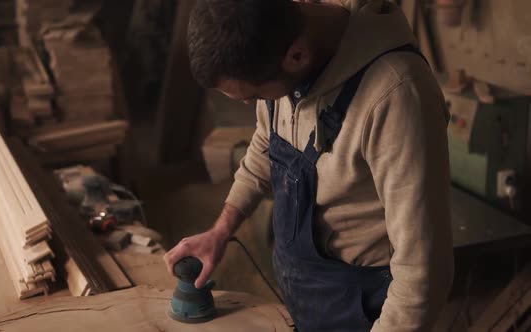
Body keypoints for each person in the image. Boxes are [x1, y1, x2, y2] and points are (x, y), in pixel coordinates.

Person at [163, 0, 454, 331]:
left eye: (255, 96)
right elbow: (265, 142)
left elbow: (422, 274)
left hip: (367, 311)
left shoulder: (397, 95)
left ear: (297, 56)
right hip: (307, 296)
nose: (252, 105)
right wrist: (221, 229)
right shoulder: (281, 38)